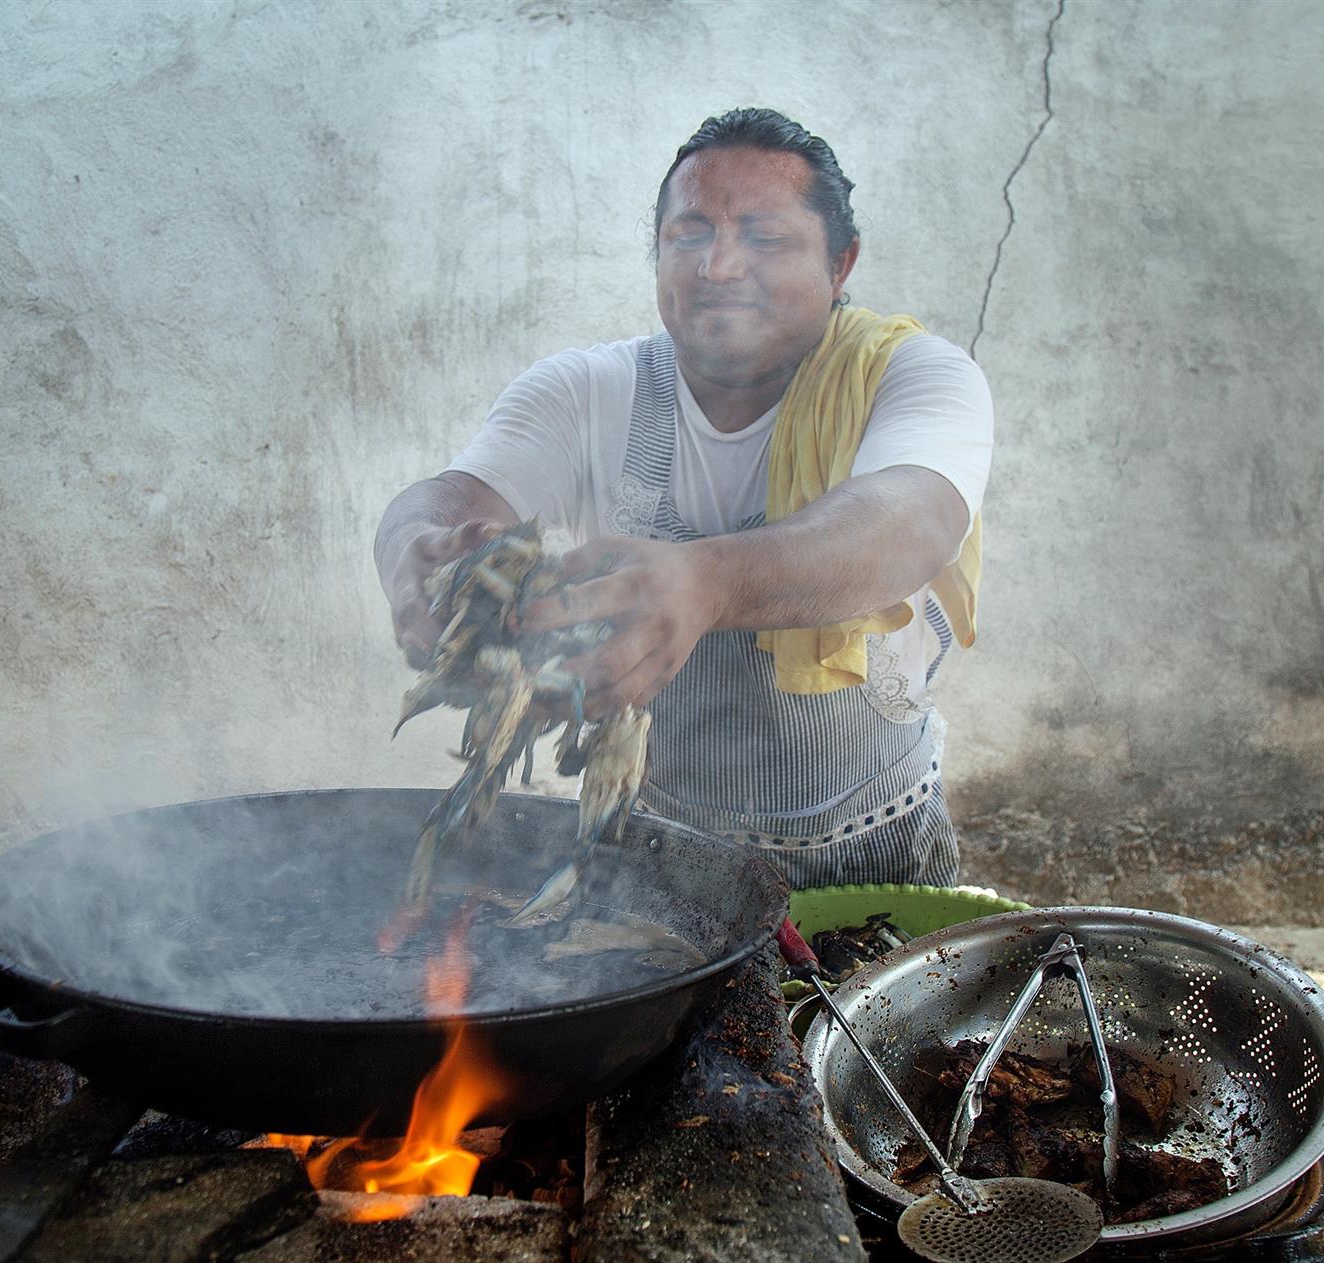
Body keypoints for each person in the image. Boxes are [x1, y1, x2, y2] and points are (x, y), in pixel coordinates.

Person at [374, 107, 992, 888]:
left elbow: (909, 519)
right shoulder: (588, 392)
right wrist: (415, 551)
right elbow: (450, 499)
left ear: (841, 265)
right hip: (655, 860)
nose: (719, 266)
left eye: (766, 239)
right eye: (689, 234)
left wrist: (709, 581)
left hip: (876, 856)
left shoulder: (912, 377)